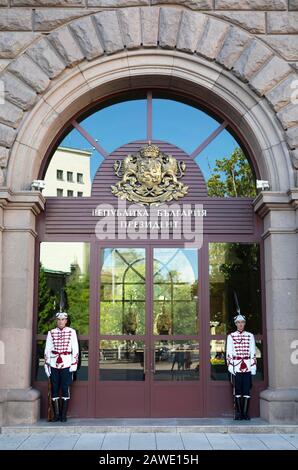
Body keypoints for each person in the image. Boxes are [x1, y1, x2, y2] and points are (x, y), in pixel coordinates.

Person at [44, 312, 79, 422]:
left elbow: (75, 349)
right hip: (54, 364)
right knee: (54, 388)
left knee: (65, 388)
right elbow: (47, 349)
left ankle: (63, 416)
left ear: (66, 320)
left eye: (63, 319)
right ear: (56, 321)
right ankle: (56, 415)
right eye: (59, 319)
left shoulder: (71, 332)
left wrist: (74, 364)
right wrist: (47, 365)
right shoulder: (51, 333)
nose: (60, 321)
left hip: (67, 363)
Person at [226, 314, 256, 420]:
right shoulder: (231, 336)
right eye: (238, 322)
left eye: (242, 322)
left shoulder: (250, 336)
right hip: (237, 366)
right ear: (236, 324)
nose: (240, 324)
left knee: (246, 390)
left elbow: (253, 352)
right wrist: (231, 367)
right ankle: (239, 413)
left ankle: (245, 414)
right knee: (237, 390)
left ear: (244, 323)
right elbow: (229, 353)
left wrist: (253, 368)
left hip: (247, 365)